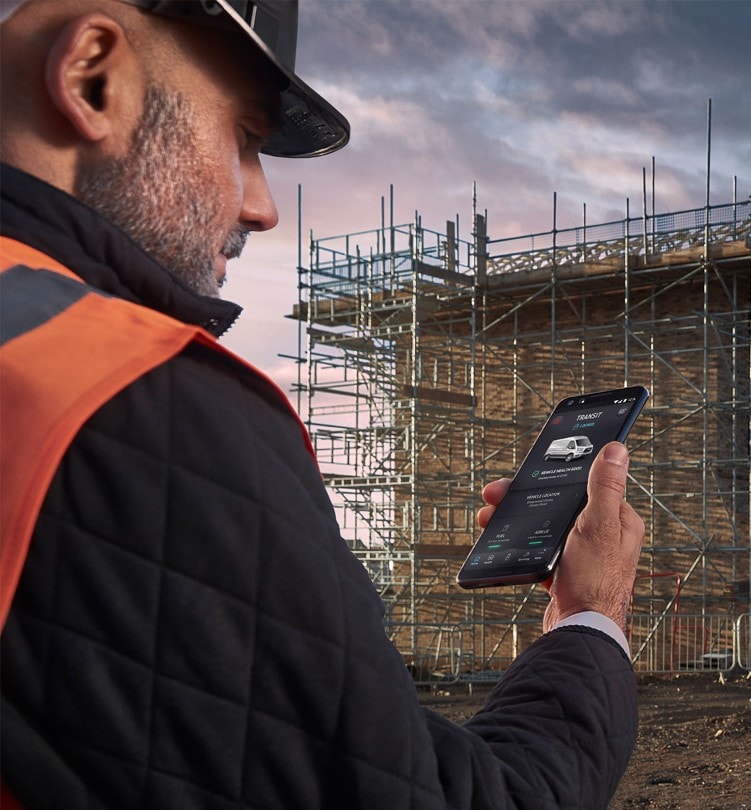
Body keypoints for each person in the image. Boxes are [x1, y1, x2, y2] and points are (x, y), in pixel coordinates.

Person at [0, 1, 642, 806]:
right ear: (93, 75)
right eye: (243, 137)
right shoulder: (132, 403)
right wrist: (591, 618)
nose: (262, 206)